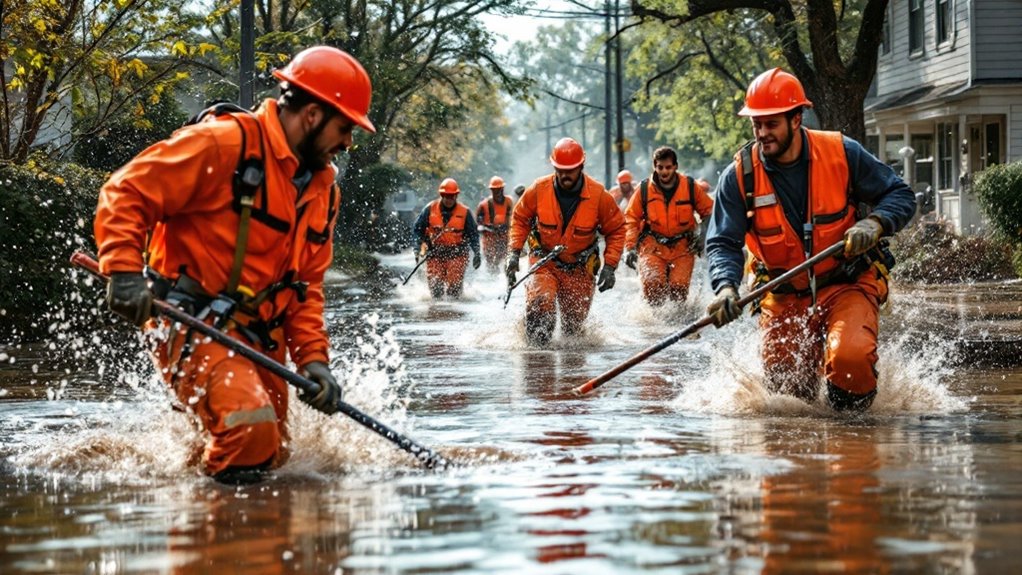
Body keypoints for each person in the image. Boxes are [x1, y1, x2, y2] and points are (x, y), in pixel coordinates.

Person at [93, 46, 374, 483]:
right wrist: (124, 271)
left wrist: (314, 361)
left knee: (275, 454)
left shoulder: (324, 192)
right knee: (249, 432)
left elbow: (305, 289)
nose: (349, 141)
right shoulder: (224, 144)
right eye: (345, 127)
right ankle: (222, 542)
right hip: (191, 321)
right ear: (314, 115)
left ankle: (197, 500)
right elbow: (126, 192)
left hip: (260, 340)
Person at [704, 68, 916, 411]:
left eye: (771, 123)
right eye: (756, 124)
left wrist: (875, 223)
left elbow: (901, 195)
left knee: (850, 361)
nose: (762, 133)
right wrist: (726, 287)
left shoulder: (842, 153)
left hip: (846, 282)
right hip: (782, 293)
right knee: (788, 397)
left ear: (796, 118)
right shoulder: (738, 176)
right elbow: (722, 242)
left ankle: (854, 436)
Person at [506, 137, 626, 345]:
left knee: (574, 332)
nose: (564, 175)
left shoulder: (598, 196)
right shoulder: (538, 189)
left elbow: (616, 230)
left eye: (569, 170)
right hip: (544, 262)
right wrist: (514, 253)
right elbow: (520, 219)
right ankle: (536, 367)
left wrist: (610, 266)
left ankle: (573, 377)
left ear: (581, 166)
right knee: (539, 307)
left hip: (579, 268)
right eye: (559, 170)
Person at [622, 146, 713, 306]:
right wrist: (629, 248)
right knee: (653, 288)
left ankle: (678, 326)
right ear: (654, 167)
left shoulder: (690, 186)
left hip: (683, 247)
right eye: (660, 167)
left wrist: (703, 235)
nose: (664, 172)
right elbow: (631, 219)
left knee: (679, 292)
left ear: (675, 166)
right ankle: (653, 326)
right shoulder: (643, 190)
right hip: (652, 246)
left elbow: (709, 212)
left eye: (668, 167)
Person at [412, 177, 481, 298]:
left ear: (456, 196)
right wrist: (417, 248)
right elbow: (418, 229)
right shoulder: (429, 209)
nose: (449, 199)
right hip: (434, 254)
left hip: (457, 255)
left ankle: (454, 314)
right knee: (435, 289)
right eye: (446, 196)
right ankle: (436, 313)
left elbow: (473, 235)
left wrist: (477, 253)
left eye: (452, 196)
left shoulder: (465, 212)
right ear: (441, 195)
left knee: (453, 291)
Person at [475, 176, 513, 273]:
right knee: (492, 268)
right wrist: (487, 228)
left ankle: (508, 283)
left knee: (508, 265)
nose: (498, 192)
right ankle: (493, 283)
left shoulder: (509, 202)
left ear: (503, 189)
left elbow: (515, 218)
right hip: (490, 242)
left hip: (505, 239)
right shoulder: (483, 205)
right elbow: (478, 224)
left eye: (500, 190)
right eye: (495, 190)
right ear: (491, 190)